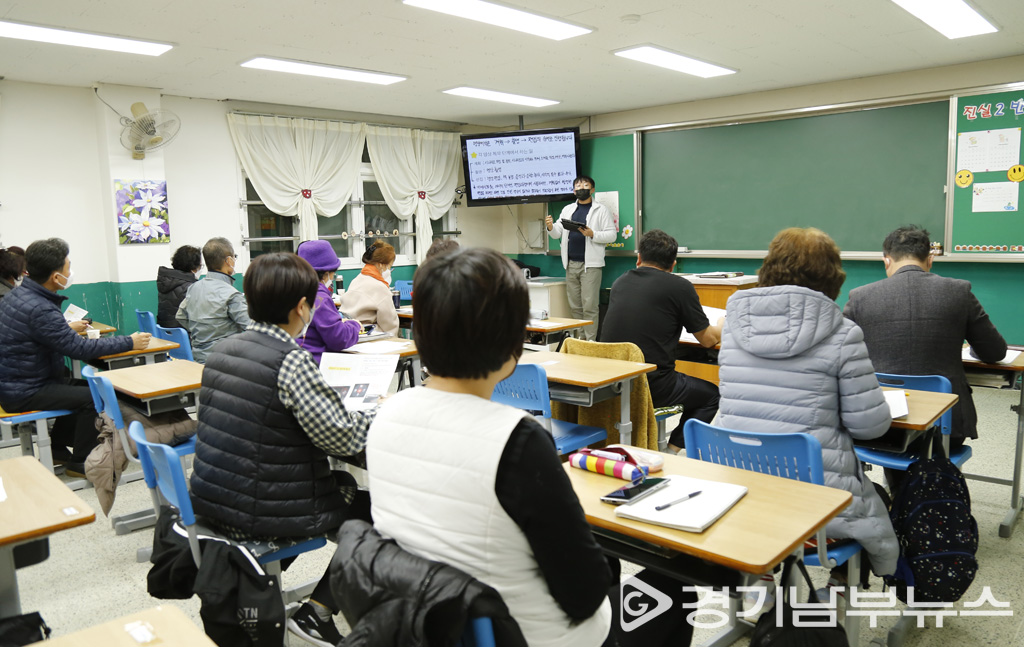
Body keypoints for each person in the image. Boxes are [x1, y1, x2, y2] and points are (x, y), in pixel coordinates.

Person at [367, 247, 695, 647]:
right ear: (513, 344)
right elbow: (585, 595)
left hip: (434, 626)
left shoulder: (386, 415)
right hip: (534, 636)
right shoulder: (516, 439)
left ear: (418, 330)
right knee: (677, 582)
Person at [189, 252, 375, 647]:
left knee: (340, 483)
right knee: (382, 516)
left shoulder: (222, 351)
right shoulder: (291, 361)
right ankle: (316, 613)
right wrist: (378, 416)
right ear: (302, 307)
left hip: (214, 500)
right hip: (264, 511)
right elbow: (344, 438)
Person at [717, 227, 898, 586]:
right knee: (877, 498)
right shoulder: (844, 334)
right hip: (815, 513)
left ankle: (763, 581)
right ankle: (840, 590)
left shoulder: (731, 330)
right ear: (832, 278)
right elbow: (870, 428)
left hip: (739, 495)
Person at [844, 225, 1006, 455]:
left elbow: (842, 354)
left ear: (886, 261)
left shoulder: (860, 297)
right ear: (929, 260)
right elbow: (995, 352)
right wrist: (972, 350)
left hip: (881, 424)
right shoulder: (959, 291)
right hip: (946, 425)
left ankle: (898, 486)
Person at [0, 238, 151, 475]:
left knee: (82, 385)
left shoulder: (20, 295)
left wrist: (64, 330)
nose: (70, 272)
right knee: (96, 395)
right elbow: (78, 349)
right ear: (54, 276)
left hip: (22, 382)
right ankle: (81, 462)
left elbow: (36, 334)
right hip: (25, 390)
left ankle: (58, 448)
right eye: (68, 267)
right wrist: (129, 342)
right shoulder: (40, 307)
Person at [600, 230, 722, 452]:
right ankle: (671, 451)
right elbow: (707, 341)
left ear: (638, 258)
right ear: (673, 265)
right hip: (652, 386)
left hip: (612, 383)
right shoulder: (679, 287)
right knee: (712, 395)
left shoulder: (619, 282)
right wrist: (723, 324)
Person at [545, 175, 617, 340]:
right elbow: (558, 233)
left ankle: (590, 343)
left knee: (590, 306)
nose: (581, 188)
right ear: (573, 190)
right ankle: (579, 341)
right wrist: (550, 227)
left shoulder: (600, 209)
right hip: (570, 264)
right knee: (575, 307)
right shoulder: (568, 209)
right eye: (578, 186)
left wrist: (592, 234)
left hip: (590, 266)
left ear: (592, 190)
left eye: (585, 185)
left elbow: (611, 235)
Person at [175, 237, 251, 363]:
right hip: (227, 361)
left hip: (198, 359)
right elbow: (251, 326)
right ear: (229, 260)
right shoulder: (231, 294)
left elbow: (180, 316)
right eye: (234, 257)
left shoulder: (193, 288)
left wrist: (204, 332)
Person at [295, 240, 361, 363]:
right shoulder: (319, 297)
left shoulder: (291, 290)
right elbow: (339, 338)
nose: (332, 279)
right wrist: (354, 325)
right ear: (326, 274)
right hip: (316, 364)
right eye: (333, 274)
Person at [337, 239, 399, 335]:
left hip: (348, 331)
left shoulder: (356, 280)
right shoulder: (380, 287)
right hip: (367, 334)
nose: (389, 270)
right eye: (389, 266)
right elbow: (390, 325)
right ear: (381, 265)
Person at [156, 245, 201, 329]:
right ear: (193, 266)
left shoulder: (165, 282)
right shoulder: (191, 287)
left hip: (165, 334)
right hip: (185, 335)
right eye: (200, 266)